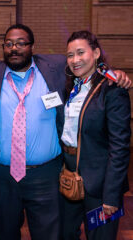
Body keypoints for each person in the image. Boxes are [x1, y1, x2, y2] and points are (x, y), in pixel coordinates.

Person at [0, 24, 131, 240]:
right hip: (3, 177)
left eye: (21, 43)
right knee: (5, 233)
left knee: (50, 234)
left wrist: (114, 73)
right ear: (3, 47)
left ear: (32, 46)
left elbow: (89, 67)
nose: (14, 48)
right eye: (8, 44)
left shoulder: (57, 68)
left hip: (47, 175)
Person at [61, 30, 131, 240]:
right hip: (69, 179)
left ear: (97, 53)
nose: (75, 60)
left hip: (100, 186)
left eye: (81, 52)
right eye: (70, 55)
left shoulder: (112, 90)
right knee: (65, 233)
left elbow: (119, 148)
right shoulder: (70, 88)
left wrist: (111, 196)